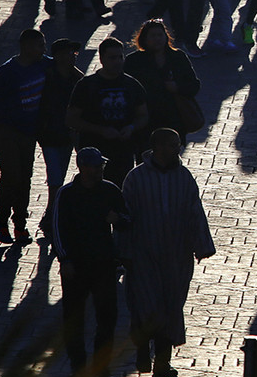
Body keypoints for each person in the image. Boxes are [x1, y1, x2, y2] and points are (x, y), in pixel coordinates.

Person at [122, 128, 216, 377]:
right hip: (144, 254)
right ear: (159, 148)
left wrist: (202, 245)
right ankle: (143, 349)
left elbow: (194, 211)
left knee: (171, 307)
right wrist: (123, 253)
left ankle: (162, 363)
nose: (178, 149)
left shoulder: (184, 178)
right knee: (145, 305)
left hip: (176, 255)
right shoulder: (136, 178)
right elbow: (124, 217)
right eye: (173, 145)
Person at [52, 146, 128, 377]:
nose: (101, 170)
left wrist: (119, 220)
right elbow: (57, 229)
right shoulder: (66, 194)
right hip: (76, 266)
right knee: (74, 318)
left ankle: (100, 366)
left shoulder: (110, 190)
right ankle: (78, 364)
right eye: (97, 167)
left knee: (107, 317)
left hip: (104, 264)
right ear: (83, 168)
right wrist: (65, 260)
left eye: (101, 166)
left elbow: (128, 218)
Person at [0, 29, 49, 245]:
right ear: (27, 47)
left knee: (25, 178)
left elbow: (64, 66)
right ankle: (1, 222)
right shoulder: (8, 71)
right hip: (6, 130)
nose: (43, 49)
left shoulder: (44, 64)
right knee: (11, 175)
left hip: (28, 131)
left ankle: (20, 225)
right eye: (40, 45)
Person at [66, 38, 150, 187]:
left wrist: (131, 128)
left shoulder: (132, 85)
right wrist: (100, 130)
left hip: (123, 152)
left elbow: (143, 115)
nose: (117, 61)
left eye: (120, 57)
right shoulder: (87, 85)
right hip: (94, 153)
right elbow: (72, 119)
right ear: (102, 58)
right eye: (112, 57)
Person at [125, 19, 201, 144]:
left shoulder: (178, 57)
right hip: (146, 119)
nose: (157, 39)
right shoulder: (134, 61)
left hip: (174, 119)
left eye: (160, 35)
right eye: (153, 36)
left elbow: (194, 85)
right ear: (144, 38)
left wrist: (177, 87)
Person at [37, 38, 83, 238]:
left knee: (61, 174)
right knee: (55, 177)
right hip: (51, 134)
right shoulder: (47, 77)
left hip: (70, 134)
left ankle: (54, 214)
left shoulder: (77, 79)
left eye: (72, 53)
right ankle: (51, 215)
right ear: (55, 57)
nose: (70, 57)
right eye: (65, 53)